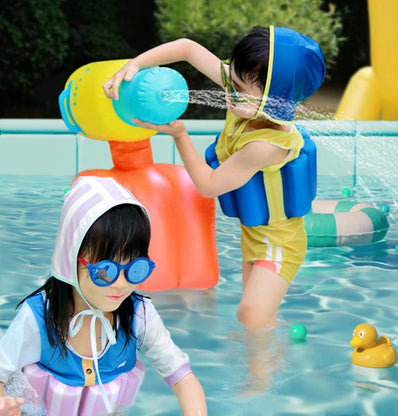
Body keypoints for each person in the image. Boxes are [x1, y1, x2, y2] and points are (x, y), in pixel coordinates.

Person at [103, 26, 325, 334]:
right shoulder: (244, 95)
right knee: (258, 319)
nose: (229, 92)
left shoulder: (267, 144)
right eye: (231, 80)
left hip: (279, 243)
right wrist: (136, 64)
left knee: (250, 316)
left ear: (275, 101)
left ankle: (270, 363)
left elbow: (208, 184)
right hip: (254, 236)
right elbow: (187, 48)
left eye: (239, 88)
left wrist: (180, 135)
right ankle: (268, 355)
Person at [0, 176, 207, 416]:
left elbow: (183, 378)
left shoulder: (138, 314)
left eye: (135, 268)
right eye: (105, 271)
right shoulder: (37, 318)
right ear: (70, 260)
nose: (122, 284)